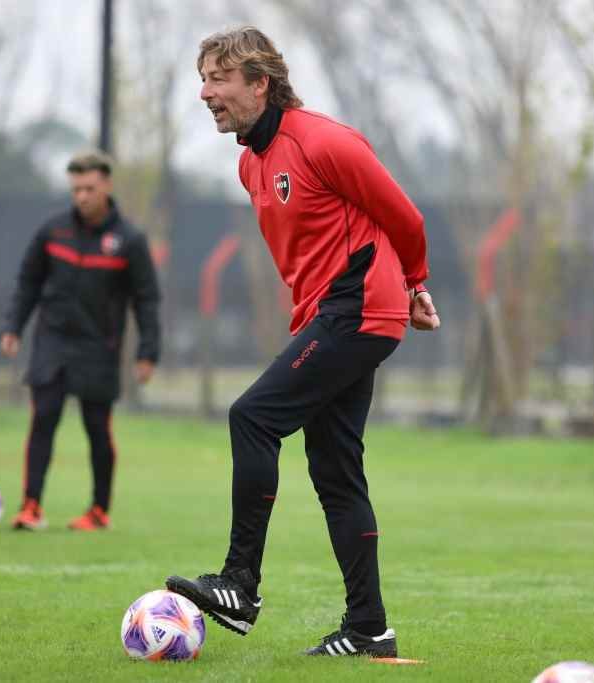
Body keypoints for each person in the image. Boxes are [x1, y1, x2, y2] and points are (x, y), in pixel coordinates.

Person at [165, 27, 440, 658]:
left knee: (252, 418)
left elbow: (406, 218)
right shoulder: (249, 161)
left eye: (218, 79)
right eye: (203, 79)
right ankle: (370, 630)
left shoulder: (322, 140)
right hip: (335, 313)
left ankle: (240, 584)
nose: (205, 93)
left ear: (260, 83)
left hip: (358, 307)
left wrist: (415, 284)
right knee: (336, 472)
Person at [1, 151, 161, 531]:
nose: (82, 196)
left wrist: (147, 352)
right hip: (51, 342)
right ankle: (31, 506)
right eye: (76, 189)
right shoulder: (52, 232)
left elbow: (147, 298)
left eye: (89, 188)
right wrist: (13, 327)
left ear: (106, 185)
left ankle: (99, 510)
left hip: (98, 348)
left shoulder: (129, 240)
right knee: (43, 418)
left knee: (97, 429)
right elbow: (27, 282)